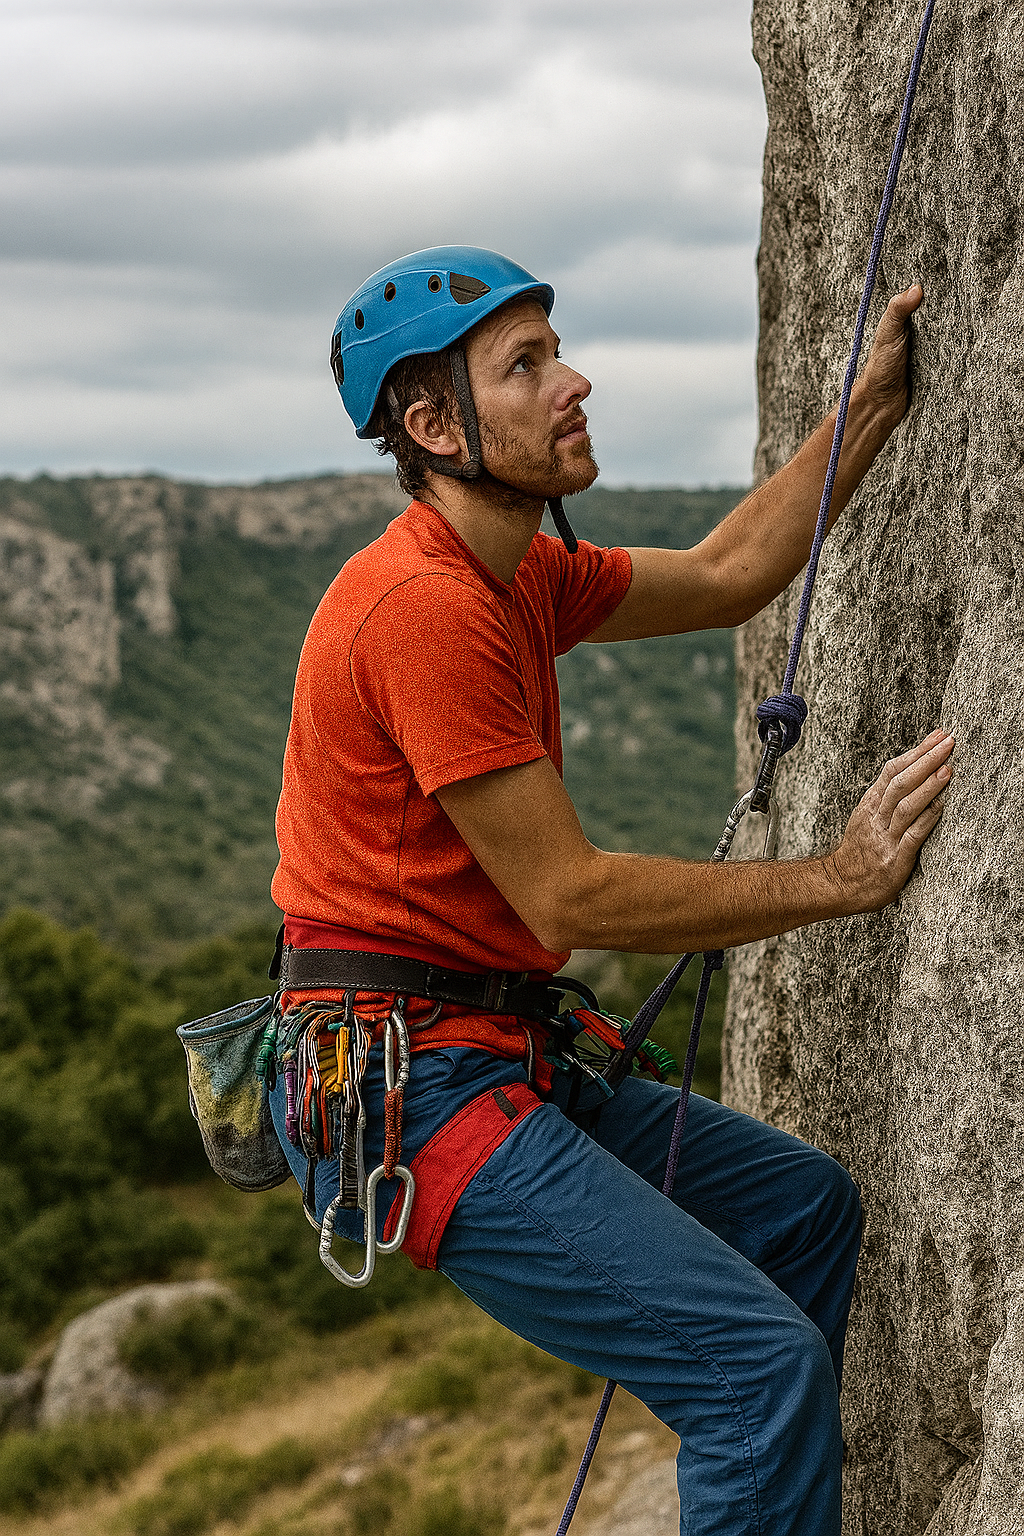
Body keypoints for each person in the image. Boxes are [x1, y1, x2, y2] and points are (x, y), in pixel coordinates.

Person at [268, 247, 952, 1536]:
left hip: (479, 1046)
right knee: (754, 1375)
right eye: (524, 366)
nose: (572, 382)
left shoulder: (514, 574)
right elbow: (568, 900)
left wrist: (867, 410)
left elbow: (729, 572)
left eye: (554, 347)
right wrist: (841, 877)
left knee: (803, 1209)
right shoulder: (421, 607)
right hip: (410, 1084)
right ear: (435, 426)